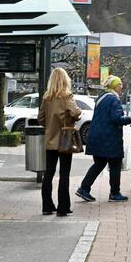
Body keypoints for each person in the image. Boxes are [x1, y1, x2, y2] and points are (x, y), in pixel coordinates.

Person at [75, 76, 131, 203]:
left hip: (96, 137)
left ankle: (84, 188)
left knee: (99, 164)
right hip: (109, 139)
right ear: (115, 86)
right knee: (115, 164)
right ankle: (115, 193)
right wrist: (129, 120)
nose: (121, 87)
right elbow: (116, 118)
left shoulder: (101, 97)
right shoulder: (114, 99)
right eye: (120, 84)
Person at [38, 67, 82, 216]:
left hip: (50, 140)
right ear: (65, 80)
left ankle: (47, 206)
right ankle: (63, 208)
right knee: (64, 174)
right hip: (65, 140)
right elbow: (75, 113)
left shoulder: (47, 97)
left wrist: (49, 127)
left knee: (48, 173)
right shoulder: (67, 96)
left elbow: (41, 118)